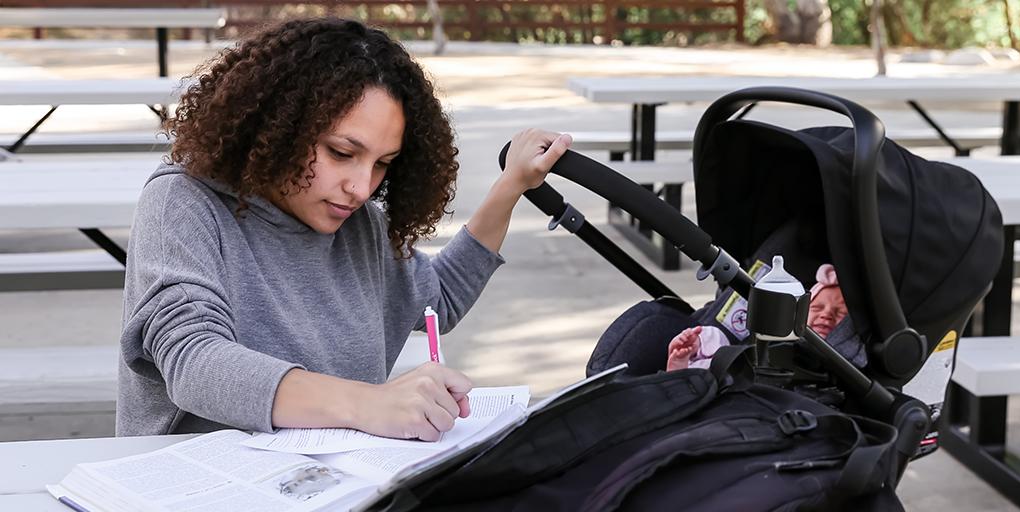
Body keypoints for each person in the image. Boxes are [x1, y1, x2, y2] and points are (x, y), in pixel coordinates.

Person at [116, 17, 572, 441]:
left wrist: (511, 185)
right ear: (277, 128)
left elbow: (440, 300)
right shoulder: (183, 203)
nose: (360, 187)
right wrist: (369, 404)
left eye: (382, 164)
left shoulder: (357, 222)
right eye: (340, 152)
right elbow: (193, 360)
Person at [666, 263, 847, 371]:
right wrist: (698, 343)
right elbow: (729, 346)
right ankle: (683, 364)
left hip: (758, 387)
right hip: (736, 367)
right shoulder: (779, 327)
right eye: (817, 307)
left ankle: (681, 377)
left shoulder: (842, 357)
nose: (826, 315)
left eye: (840, 314)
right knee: (720, 346)